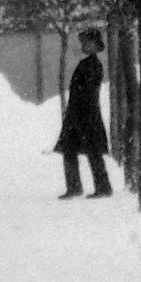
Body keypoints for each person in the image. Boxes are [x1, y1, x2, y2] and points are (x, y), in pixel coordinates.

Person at [55, 28, 112, 200]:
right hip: (81, 113)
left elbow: (86, 91)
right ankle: (84, 186)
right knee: (75, 150)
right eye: (83, 43)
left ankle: (95, 187)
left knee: (88, 152)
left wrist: (80, 110)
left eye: (88, 42)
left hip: (85, 113)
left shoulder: (92, 65)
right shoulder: (88, 64)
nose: (85, 46)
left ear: (96, 45)